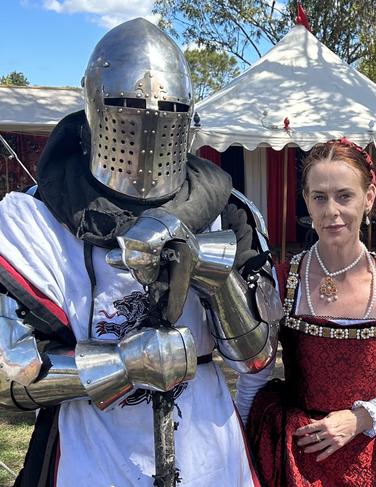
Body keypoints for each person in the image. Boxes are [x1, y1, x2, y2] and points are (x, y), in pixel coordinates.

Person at [0, 18, 281, 486]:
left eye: (167, 107)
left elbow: (256, 357)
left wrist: (214, 278)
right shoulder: (32, 220)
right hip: (90, 448)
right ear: (95, 107)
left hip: (208, 448)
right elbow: (8, 377)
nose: (147, 120)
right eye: (127, 104)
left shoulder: (227, 212)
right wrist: (124, 364)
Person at [246, 138, 376, 486]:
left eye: (344, 195)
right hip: (297, 456)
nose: (331, 210)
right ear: (306, 200)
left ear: (368, 198)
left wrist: (363, 417)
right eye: (319, 197)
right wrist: (243, 449)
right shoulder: (280, 280)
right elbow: (253, 376)